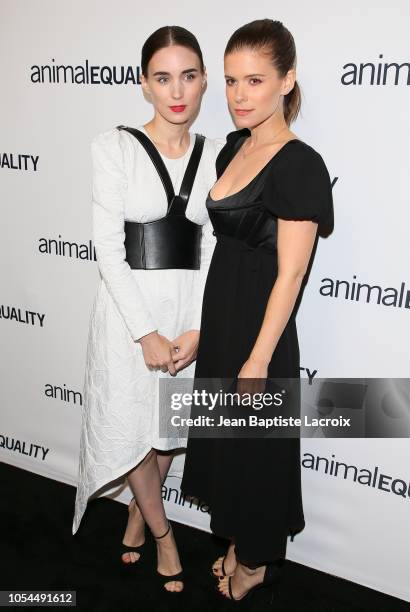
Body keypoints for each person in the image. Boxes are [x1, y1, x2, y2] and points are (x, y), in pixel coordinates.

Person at [180, 18, 334, 602]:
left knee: (258, 452)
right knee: (229, 447)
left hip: (260, 329)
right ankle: (239, 540)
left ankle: (254, 562)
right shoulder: (234, 147)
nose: (239, 96)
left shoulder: (300, 164)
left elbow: (292, 272)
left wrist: (258, 358)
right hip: (224, 314)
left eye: (254, 80)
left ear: (286, 81)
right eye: (229, 82)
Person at [72, 25, 224, 594]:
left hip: (188, 311)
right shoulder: (113, 148)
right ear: (144, 85)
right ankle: (164, 535)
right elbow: (107, 251)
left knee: (163, 430)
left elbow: (215, 246)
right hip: (128, 316)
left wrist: (199, 326)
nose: (176, 90)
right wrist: (146, 334)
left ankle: (140, 513)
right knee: (132, 423)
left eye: (188, 76)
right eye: (163, 78)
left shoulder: (215, 155)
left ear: (204, 80)